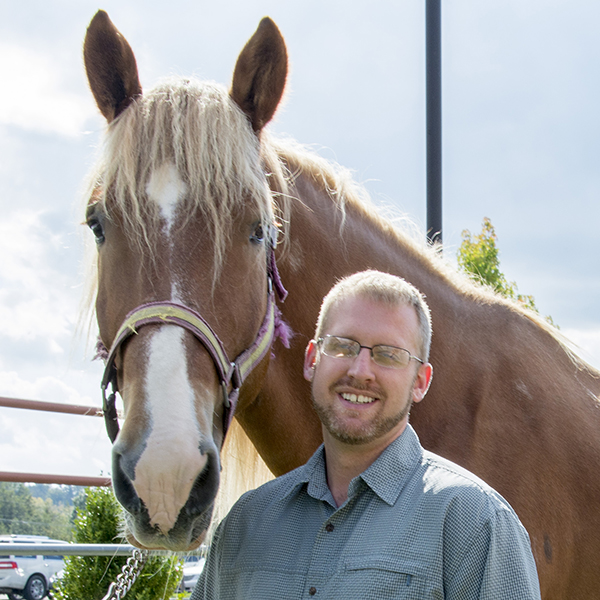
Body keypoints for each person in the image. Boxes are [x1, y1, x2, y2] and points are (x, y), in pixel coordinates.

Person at [192, 270, 542, 599]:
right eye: (343, 346)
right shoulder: (245, 523)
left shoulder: (474, 521)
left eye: (388, 355)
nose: (360, 371)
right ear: (312, 359)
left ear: (420, 381)